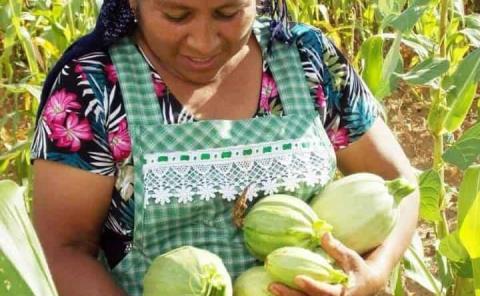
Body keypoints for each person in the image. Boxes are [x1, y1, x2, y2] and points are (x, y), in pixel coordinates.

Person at [31, 0, 419, 295]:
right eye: (176, 15)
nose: (203, 41)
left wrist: (373, 273)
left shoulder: (307, 60)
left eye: (228, 11)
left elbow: (399, 183)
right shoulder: (92, 86)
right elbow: (62, 247)